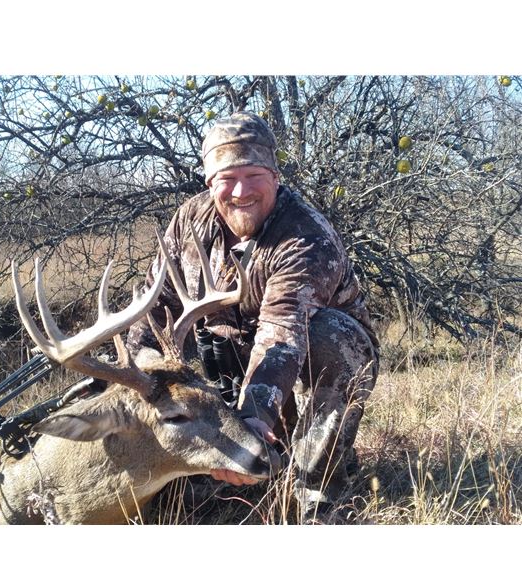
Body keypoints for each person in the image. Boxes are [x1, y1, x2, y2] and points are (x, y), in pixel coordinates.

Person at [126, 111, 380, 521]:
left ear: (275, 177)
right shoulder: (190, 221)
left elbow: (282, 334)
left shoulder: (305, 236)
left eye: (254, 175)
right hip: (226, 364)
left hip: (299, 361)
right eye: (227, 178)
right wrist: (128, 375)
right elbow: (156, 305)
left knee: (333, 337)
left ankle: (316, 490)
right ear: (209, 183)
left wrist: (253, 417)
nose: (241, 190)